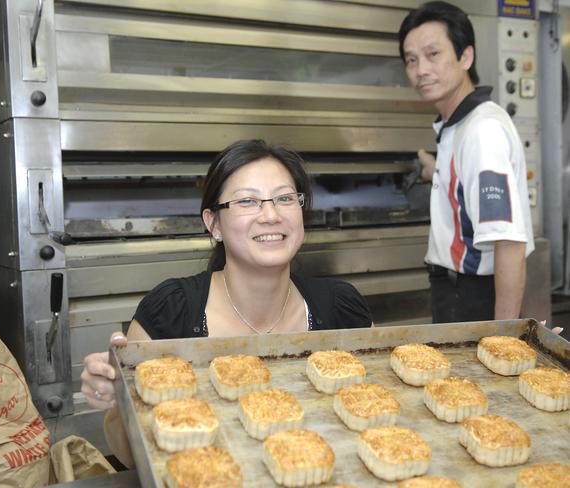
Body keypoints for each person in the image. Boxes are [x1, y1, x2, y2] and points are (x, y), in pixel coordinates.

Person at [80, 139, 373, 467]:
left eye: (285, 198)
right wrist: (117, 399)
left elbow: (380, 420)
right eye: (248, 201)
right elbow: (131, 457)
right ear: (213, 223)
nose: (271, 215)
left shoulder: (342, 308)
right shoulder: (170, 312)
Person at [398, 1, 534, 323]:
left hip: (472, 296)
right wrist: (437, 171)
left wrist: (504, 334)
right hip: (457, 290)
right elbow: (469, 185)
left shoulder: (481, 130)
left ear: (466, 57)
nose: (421, 70)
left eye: (433, 54)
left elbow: (509, 242)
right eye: (411, 60)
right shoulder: (459, 125)